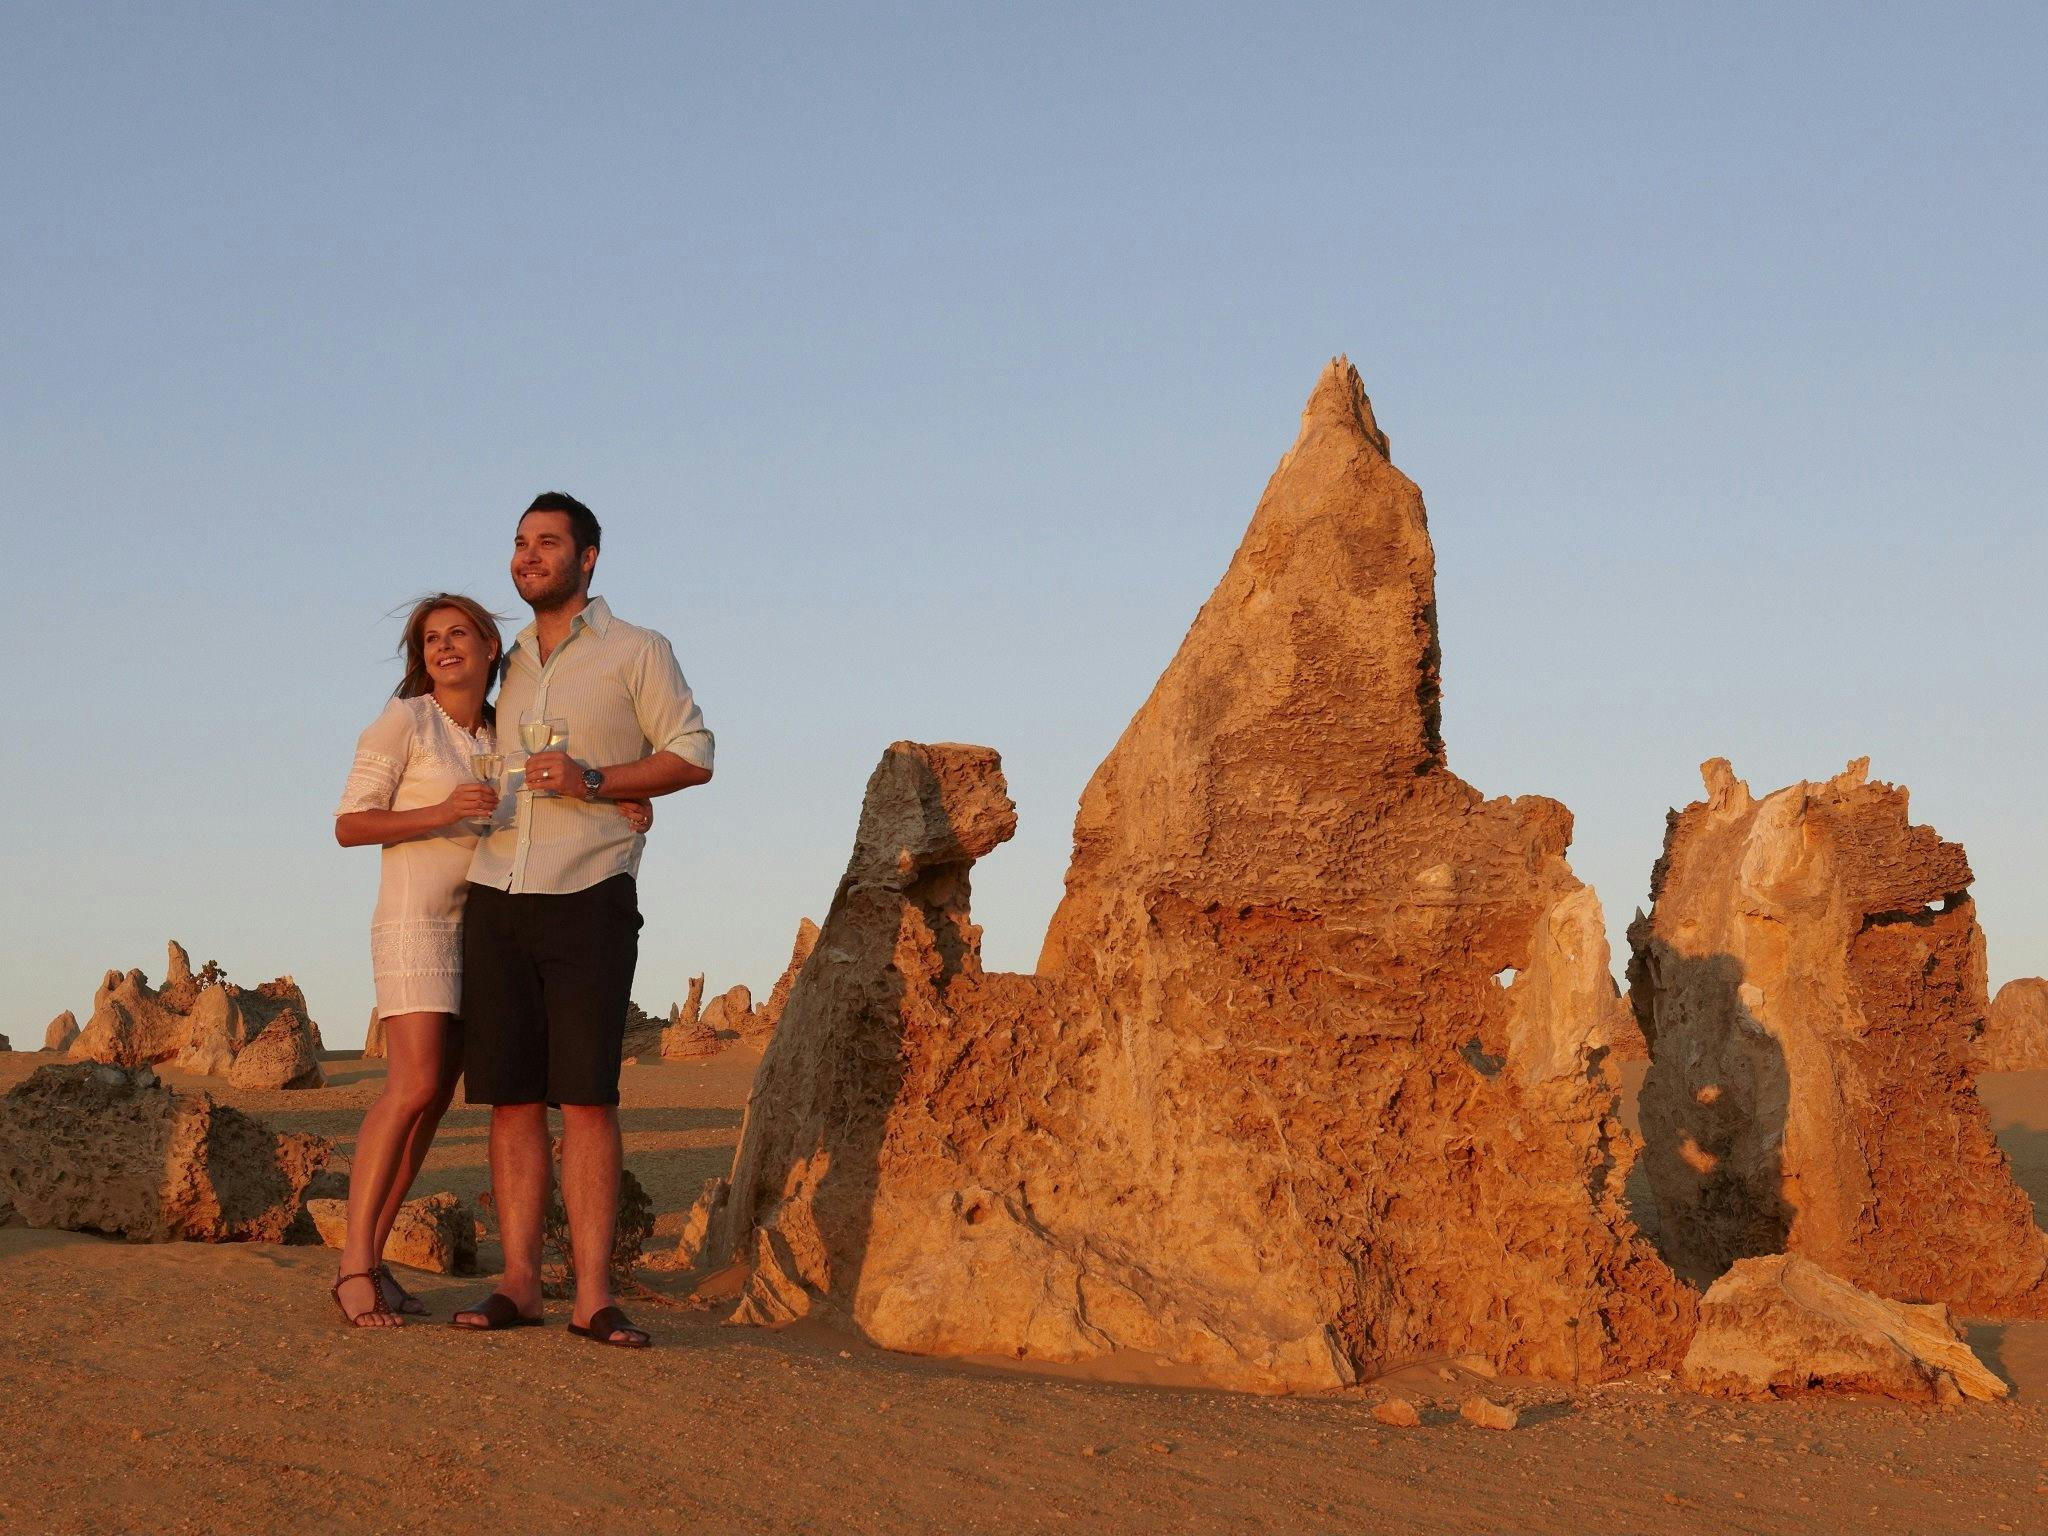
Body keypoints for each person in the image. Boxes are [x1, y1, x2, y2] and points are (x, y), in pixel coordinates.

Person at [331, 592, 654, 1328]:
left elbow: (549, 800)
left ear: (487, 647)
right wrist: (441, 812)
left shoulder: (501, 728)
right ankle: (352, 1266)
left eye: (459, 635)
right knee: (409, 1088)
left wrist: (627, 799)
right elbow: (349, 825)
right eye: (431, 640)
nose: (444, 648)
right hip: (416, 923)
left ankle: (375, 1260)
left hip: (478, 924)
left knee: (436, 1100)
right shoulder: (405, 721)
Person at [451, 493, 713, 1348]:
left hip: (590, 889)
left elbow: (694, 754)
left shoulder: (639, 650)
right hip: (496, 891)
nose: (529, 556)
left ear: (588, 557)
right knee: (512, 1099)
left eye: (548, 543)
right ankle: (520, 1284)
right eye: (520, 543)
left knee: (588, 1098)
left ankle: (593, 1297)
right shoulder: (503, 659)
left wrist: (604, 783)